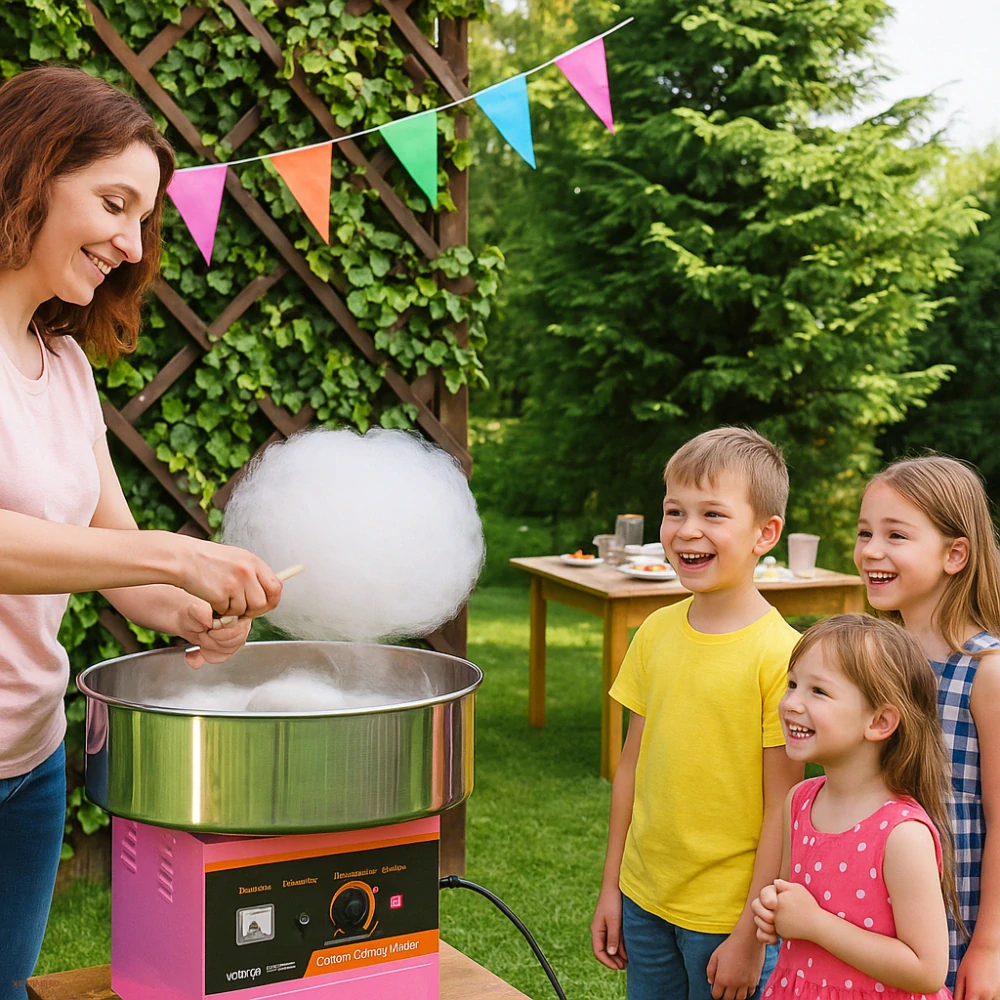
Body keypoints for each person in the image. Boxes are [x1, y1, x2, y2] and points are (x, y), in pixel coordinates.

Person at [0, 67, 283, 998]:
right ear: (33, 169)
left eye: (143, 220)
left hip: (28, 762)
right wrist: (173, 553)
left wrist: (193, 606)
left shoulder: (66, 365)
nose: (130, 244)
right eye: (113, 205)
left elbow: (112, 559)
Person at [591, 427, 804, 1000]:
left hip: (729, 915)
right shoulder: (655, 632)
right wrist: (613, 886)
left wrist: (752, 934)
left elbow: (784, 805)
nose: (688, 530)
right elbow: (630, 767)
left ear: (766, 533)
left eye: (713, 514)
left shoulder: (782, 656)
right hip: (644, 899)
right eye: (675, 511)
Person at [751, 614, 958, 1000]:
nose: (792, 703)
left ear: (879, 721)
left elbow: (927, 969)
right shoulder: (798, 802)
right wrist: (776, 912)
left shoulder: (902, 834)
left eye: (819, 691)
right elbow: (791, 900)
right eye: (793, 684)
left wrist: (814, 924)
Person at [855, 455, 1000, 997]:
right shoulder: (871, 660)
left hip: (952, 929)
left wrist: (989, 947)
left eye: (896, 535)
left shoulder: (986, 672)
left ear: (954, 553)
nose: (871, 551)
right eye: (865, 532)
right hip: (869, 913)